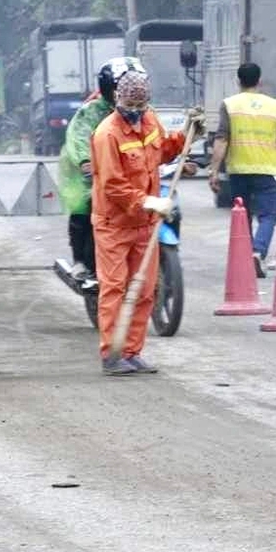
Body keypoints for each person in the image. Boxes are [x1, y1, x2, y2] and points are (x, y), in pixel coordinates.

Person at [89, 65, 192, 374]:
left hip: (145, 225)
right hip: (114, 224)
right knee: (115, 289)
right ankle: (112, 353)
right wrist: (148, 201)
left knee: (145, 290)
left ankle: (132, 351)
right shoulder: (107, 134)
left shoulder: (149, 121)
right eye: (129, 106)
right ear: (118, 100)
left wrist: (185, 136)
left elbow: (161, 152)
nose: (135, 111)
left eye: (140, 105)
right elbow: (113, 185)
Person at [208, 61, 276, 279]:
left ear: (238, 81)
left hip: (238, 170)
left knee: (241, 216)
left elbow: (222, 139)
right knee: (268, 215)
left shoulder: (230, 104)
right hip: (267, 170)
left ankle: (244, 257)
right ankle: (258, 251)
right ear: (260, 81)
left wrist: (214, 171)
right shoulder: (275, 107)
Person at [57, 57, 136, 288]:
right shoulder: (91, 111)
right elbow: (79, 136)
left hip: (120, 170)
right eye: (121, 87)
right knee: (85, 208)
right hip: (81, 168)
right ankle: (81, 260)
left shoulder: (137, 110)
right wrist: (84, 162)